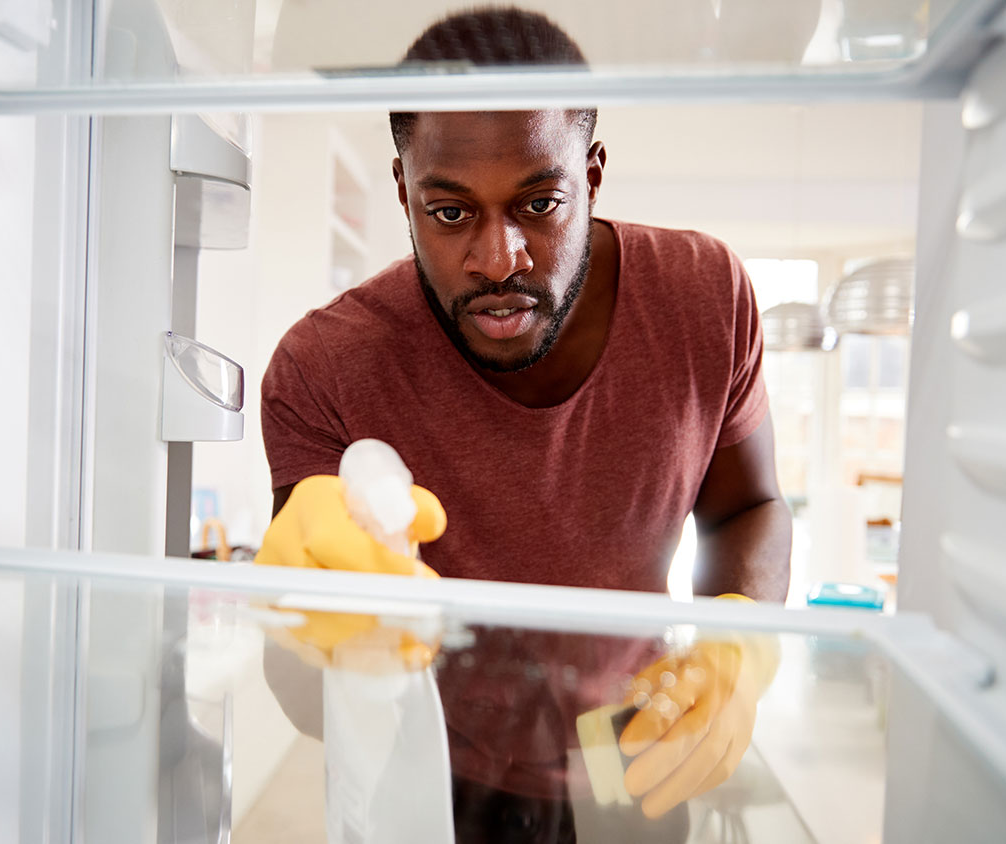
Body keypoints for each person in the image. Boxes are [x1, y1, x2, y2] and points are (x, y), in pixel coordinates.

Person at [254, 8, 790, 839]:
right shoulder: (323, 367)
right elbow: (308, 697)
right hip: (435, 761)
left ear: (595, 174)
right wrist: (299, 624)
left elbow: (747, 507)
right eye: (451, 213)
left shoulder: (705, 297)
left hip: (636, 748)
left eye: (540, 203)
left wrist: (742, 645)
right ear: (403, 191)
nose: (499, 258)